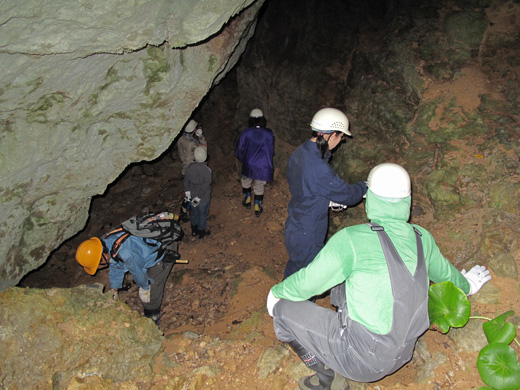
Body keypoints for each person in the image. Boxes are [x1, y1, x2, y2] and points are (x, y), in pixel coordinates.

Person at [267, 163, 492, 390]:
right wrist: (469, 285)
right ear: (407, 200)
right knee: (344, 283)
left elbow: (308, 283)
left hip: (359, 359)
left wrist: (276, 293)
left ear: (370, 197)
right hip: (402, 353)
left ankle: (328, 378)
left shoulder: (352, 239)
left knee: (283, 310)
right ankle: (346, 327)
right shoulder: (421, 237)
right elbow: (446, 274)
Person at [283, 107, 367, 279]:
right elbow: (348, 195)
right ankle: (297, 304)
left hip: (295, 223)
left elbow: (305, 185)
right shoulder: (319, 168)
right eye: (341, 136)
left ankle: (284, 301)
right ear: (330, 135)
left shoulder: (300, 152)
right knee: (310, 278)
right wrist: (365, 186)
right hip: (309, 231)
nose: (342, 140)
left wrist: (324, 199)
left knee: (296, 268)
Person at [75, 215, 182, 326]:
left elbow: (138, 273)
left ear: (102, 256)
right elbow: (115, 264)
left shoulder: (127, 254)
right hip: (147, 249)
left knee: (149, 295)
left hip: (164, 252)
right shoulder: (106, 242)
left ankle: (152, 318)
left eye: (97, 265)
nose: (98, 268)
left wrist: (145, 287)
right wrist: (114, 287)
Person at [234, 108, 275, 217]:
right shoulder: (268, 133)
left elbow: (240, 148)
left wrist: (241, 158)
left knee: (246, 181)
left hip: (249, 163)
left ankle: (247, 199)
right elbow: (271, 150)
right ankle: (257, 205)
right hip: (263, 164)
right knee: (260, 184)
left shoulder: (246, 132)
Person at [177, 119, 207, 222]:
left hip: (184, 169)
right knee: (196, 193)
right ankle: (193, 210)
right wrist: (201, 137)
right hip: (193, 171)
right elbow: (202, 151)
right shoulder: (192, 144)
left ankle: (183, 211)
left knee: (188, 194)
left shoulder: (180, 139)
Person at [184, 146, 212, 239]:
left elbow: (186, 182)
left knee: (194, 213)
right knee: (202, 215)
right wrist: (199, 197)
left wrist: (188, 194)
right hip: (203, 198)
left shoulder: (189, 168)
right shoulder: (207, 170)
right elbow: (206, 186)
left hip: (192, 196)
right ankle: (201, 233)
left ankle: (194, 231)